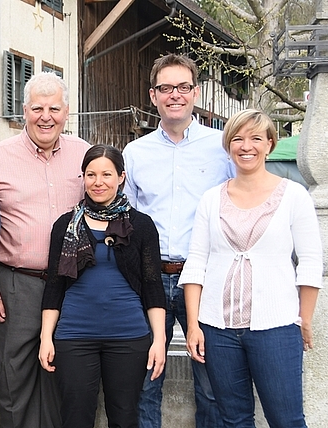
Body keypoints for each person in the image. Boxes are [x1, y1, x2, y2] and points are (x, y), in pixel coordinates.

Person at [181, 108, 322, 427]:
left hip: (276, 327)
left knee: (286, 419)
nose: (247, 146)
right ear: (228, 146)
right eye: (238, 139)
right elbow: (196, 263)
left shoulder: (293, 196)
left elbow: (311, 261)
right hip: (217, 329)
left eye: (256, 138)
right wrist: (193, 325)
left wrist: (305, 318)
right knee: (233, 419)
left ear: (270, 144)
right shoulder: (211, 199)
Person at [123, 53, 234, 428]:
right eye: (166, 87)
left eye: (183, 87)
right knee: (145, 380)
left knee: (211, 381)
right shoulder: (136, 153)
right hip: (149, 279)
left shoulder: (222, 147)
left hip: (203, 279)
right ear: (153, 95)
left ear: (195, 93)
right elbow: (130, 222)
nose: (175, 95)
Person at [0, 71, 90, 428]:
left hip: (73, 285)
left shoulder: (84, 154)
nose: (46, 116)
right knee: (15, 379)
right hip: (15, 285)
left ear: (66, 111)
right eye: (37, 108)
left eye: (54, 108)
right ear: (23, 111)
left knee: (65, 378)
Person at [39, 145, 167, 428]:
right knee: (75, 417)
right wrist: (46, 337)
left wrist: (159, 340)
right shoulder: (65, 225)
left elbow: (152, 286)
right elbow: (54, 286)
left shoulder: (141, 226)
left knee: (124, 417)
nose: (99, 182)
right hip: (74, 337)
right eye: (91, 174)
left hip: (128, 337)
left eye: (107, 174)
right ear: (83, 178)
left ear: (121, 177)